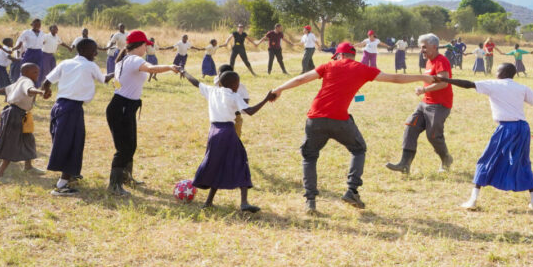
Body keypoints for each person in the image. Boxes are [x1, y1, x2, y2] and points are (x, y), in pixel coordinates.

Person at [270, 42, 432, 213]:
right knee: (358, 149)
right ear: (353, 56)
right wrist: (422, 77)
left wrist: (279, 89)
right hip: (339, 120)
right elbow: (395, 78)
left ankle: (310, 201)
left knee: (309, 157)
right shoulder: (362, 68)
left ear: (339, 55)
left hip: (315, 119)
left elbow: (301, 78)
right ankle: (352, 190)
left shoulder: (329, 65)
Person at [434, 63, 533, 211]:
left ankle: (473, 200)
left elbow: (468, 84)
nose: (495, 73)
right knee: (523, 162)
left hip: (506, 128)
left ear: (502, 73)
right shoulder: (521, 87)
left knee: (486, 160)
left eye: (497, 70)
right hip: (523, 128)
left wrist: (446, 80)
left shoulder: (494, 84)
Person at [180, 68, 276, 212]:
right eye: (237, 83)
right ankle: (244, 202)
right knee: (241, 162)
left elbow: (196, 82)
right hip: (228, 132)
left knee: (216, 164)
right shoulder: (234, 96)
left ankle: (208, 202)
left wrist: (184, 71)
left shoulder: (212, 91)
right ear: (234, 85)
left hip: (214, 132)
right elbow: (250, 111)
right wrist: (266, 99)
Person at [105, 31, 182, 196]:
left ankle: (125, 178)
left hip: (124, 106)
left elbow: (117, 84)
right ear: (139, 45)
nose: (146, 48)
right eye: (145, 45)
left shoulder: (123, 60)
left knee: (130, 145)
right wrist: (170, 67)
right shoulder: (134, 59)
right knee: (124, 148)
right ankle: (114, 185)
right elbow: (151, 68)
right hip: (122, 107)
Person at [42, 38, 113, 196]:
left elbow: (46, 81)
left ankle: (70, 175)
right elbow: (104, 79)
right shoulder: (90, 65)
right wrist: (118, 72)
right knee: (72, 144)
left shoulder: (66, 63)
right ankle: (61, 185)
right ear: (83, 51)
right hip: (72, 109)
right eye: (93, 50)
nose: (96, 53)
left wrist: (46, 92)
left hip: (58, 107)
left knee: (61, 142)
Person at [385, 34, 454, 174]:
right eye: (421, 47)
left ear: (434, 47)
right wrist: (425, 91)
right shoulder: (429, 61)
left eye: (424, 47)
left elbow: (444, 83)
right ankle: (404, 164)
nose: (421, 50)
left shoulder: (441, 61)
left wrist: (424, 90)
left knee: (433, 135)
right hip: (425, 103)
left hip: (439, 105)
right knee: (411, 126)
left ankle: (446, 159)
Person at [0, 63, 45, 179]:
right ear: (25, 72)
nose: (37, 74)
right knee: (12, 142)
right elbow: (29, 90)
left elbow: (7, 89)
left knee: (28, 139)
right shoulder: (27, 82)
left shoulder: (21, 80)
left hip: (19, 114)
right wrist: (40, 92)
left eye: (38, 72)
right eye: (35, 72)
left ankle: (28, 166)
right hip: (15, 115)